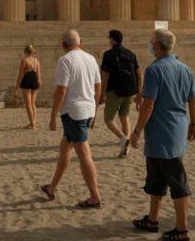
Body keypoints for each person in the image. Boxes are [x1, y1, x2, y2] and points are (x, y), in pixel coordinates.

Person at [130, 28, 195, 241]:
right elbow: (193, 101)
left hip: (162, 132)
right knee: (156, 178)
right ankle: (152, 220)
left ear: (158, 45)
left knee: (177, 182)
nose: (150, 45)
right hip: (176, 128)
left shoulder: (154, 70)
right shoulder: (185, 69)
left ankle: (182, 229)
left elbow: (148, 105)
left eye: (152, 42)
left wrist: (136, 131)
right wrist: (194, 123)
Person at [40, 29, 103, 208]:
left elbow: (61, 90)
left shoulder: (65, 60)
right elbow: (98, 86)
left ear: (63, 44)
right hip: (87, 109)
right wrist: (95, 109)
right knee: (65, 146)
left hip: (74, 112)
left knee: (84, 152)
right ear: (80, 42)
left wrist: (53, 116)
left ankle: (95, 196)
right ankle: (52, 187)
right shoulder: (91, 58)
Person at [100, 29, 142, 158]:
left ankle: (123, 139)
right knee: (124, 117)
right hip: (129, 90)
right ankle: (125, 148)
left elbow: (105, 75)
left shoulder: (108, 54)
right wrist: (139, 92)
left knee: (108, 119)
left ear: (112, 40)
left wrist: (102, 93)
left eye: (109, 38)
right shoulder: (130, 53)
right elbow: (138, 73)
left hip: (114, 90)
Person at [14, 44, 41, 129]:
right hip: (34, 81)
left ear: (25, 51)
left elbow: (21, 74)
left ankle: (32, 123)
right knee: (33, 104)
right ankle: (34, 122)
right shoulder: (36, 61)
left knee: (28, 104)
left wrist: (16, 87)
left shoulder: (24, 60)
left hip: (27, 80)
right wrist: (39, 83)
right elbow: (39, 75)